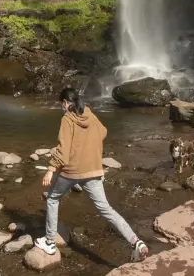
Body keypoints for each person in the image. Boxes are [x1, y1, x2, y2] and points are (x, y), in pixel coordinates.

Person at [35, 88, 148, 262]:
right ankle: (136, 241)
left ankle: (49, 242)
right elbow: (103, 132)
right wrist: (88, 145)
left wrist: (50, 169)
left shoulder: (67, 119)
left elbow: (63, 152)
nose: (61, 107)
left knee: (52, 199)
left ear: (66, 103)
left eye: (61, 104)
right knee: (106, 209)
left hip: (72, 171)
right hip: (93, 170)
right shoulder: (90, 115)